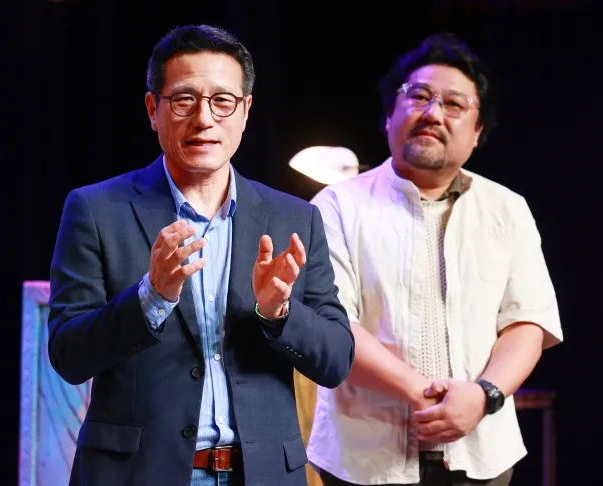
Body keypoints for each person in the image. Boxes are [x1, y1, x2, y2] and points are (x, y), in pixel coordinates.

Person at [47, 24, 354, 486]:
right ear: (153, 110)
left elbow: (336, 361)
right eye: (184, 100)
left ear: (245, 111)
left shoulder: (294, 218)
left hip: (261, 474)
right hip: (137, 474)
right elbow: (68, 356)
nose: (204, 118)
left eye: (222, 101)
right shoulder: (96, 210)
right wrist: (151, 297)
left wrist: (279, 313)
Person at [306, 33, 563, 486]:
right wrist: (425, 394)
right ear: (390, 114)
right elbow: (334, 322)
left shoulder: (507, 209)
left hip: (482, 452)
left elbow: (528, 322)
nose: (432, 113)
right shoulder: (335, 206)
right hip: (365, 457)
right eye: (419, 96)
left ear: (477, 132)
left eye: (454, 104)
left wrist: (483, 396)